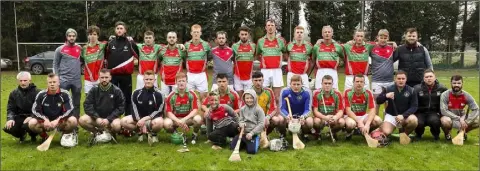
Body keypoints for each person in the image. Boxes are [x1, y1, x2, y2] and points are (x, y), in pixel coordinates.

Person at [28, 73, 78, 147]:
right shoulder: (41, 94)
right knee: (31, 123)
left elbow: (69, 110)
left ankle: (64, 136)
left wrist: (58, 120)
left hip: (60, 122)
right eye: (50, 82)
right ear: (47, 83)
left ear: (58, 83)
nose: (52, 84)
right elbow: (35, 110)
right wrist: (45, 119)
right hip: (46, 122)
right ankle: (44, 137)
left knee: (73, 120)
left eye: (54, 82)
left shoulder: (65, 94)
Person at [79, 69, 124, 145]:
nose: (104, 79)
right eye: (102, 77)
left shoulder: (117, 90)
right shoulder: (94, 90)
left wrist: (108, 119)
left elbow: (121, 107)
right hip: (97, 119)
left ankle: (110, 133)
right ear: (99, 78)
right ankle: (97, 133)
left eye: (106, 77)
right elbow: (87, 105)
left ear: (110, 78)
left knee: (117, 125)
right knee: (82, 120)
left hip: (111, 119)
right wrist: (97, 117)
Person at [105, 21, 140, 117]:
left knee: (127, 98)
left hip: (126, 76)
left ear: (125, 30)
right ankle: (113, 120)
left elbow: (139, 55)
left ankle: (127, 122)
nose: (119, 30)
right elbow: (106, 57)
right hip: (113, 76)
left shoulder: (130, 43)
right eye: (117, 28)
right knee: (113, 98)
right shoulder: (110, 43)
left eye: (121, 28)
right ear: (115, 30)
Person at [121, 70, 164, 143]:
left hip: (152, 119)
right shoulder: (136, 92)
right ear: (143, 79)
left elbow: (159, 110)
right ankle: (139, 132)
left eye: (150, 79)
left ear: (154, 80)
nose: (148, 81)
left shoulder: (159, 94)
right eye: (146, 79)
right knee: (123, 121)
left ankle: (153, 134)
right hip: (139, 119)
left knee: (160, 122)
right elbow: (134, 109)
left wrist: (145, 119)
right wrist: (140, 120)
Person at [164, 72, 203, 144]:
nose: (181, 83)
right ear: (176, 82)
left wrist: (184, 119)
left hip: (188, 119)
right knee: (166, 123)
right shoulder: (171, 95)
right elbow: (168, 113)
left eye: (183, 81)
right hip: (176, 120)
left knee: (198, 119)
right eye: (179, 81)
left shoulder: (192, 94)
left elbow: (195, 110)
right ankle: (176, 133)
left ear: (186, 82)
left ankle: (194, 134)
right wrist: (179, 121)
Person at [376, 70, 418, 137]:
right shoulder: (388, 89)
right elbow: (378, 100)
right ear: (395, 79)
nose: (401, 80)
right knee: (386, 132)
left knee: (414, 120)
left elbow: (414, 106)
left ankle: (404, 135)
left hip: (405, 117)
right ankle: (380, 129)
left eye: (403, 79)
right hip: (391, 116)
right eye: (399, 78)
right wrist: (386, 96)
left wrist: (403, 115)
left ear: (406, 79)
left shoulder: (411, 90)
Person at [53, 28, 82, 121]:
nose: (71, 38)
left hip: (77, 80)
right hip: (64, 80)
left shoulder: (80, 48)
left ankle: (75, 121)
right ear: (66, 37)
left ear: (76, 37)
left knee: (76, 102)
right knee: (62, 101)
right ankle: (62, 120)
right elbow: (55, 64)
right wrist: (57, 77)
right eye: (70, 36)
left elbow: (85, 61)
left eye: (73, 36)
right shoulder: (60, 49)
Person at [256, 19, 287, 106]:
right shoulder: (260, 41)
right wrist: (264, 62)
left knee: (277, 97)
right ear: (265, 27)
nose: (270, 27)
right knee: (263, 96)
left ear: (275, 27)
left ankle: (277, 117)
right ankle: (263, 117)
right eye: (268, 25)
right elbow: (257, 55)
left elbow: (285, 53)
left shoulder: (281, 41)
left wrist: (279, 61)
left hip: (277, 71)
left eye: (272, 25)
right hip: (265, 71)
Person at [3, 71, 41, 143]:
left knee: (30, 124)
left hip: (34, 116)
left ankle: (33, 135)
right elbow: (10, 108)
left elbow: (40, 109)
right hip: (20, 116)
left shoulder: (38, 92)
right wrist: (10, 118)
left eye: (25, 80)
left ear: (30, 80)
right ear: (18, 81)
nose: (23, 83)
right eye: (21, 81)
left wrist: (32, 116)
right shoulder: (13, 93)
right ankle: (22, 135)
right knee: (9, 127)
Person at [440, 75, 479, 141]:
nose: (456, 85)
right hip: (450, 118)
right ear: (451, 83)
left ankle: (462, 132)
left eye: (459, 83)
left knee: (478, 120)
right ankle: (447, 134)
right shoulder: (445, 95)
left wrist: (467, 121)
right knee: (445, 121)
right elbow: (444, 111)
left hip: (463, 120)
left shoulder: (466, 95)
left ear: (462, 84)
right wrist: (458, 118)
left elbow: (476, 109)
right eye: (454, 83)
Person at [344, 74, 382, 140]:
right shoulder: (347, 92)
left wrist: (367, 124)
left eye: (361, 82)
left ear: (364, 83)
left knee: (378, 120)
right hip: (350, 116)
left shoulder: (368, 93)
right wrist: (359, 122)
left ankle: (366, 131)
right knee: (350, 124)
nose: (359, 84)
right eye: (357, 81)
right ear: (353, 82)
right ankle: (349, 132)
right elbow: (348, 111)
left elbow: (373, 110)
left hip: (363, 115)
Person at [412, 69, 447, 141]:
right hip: (420, 112)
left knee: (435, 121)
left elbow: (447, 100)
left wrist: (442, 113)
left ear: (435, 77)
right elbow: (412, 102)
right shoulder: (417, 88)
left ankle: (436, 135)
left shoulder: (442, 88)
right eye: (426, 77)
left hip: (434, 112)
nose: (429, 78)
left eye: (431, 76)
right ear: (424, 79)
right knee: (419, 122)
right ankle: (418, 135)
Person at [370, 29, 396, 116]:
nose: (383, 39)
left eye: (385, 37)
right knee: (376, 103)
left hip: (389, 81)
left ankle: (386, 123)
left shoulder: (392, 48)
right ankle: (376, 124)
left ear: (388, 38)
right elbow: (362, 43)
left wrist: (393, 43)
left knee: (388, 104)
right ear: (377, 37)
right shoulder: (372, 48)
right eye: (381, 37)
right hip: (376, 81)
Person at [311, 75, 344, 140]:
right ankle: (318, 133)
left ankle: (332, 132)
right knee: (316, 121)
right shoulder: (316, 93)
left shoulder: (337, 94)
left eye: (329, 83)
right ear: (321, 84)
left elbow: (341, 110)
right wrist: (325, 117)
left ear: (332, 84)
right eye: (325, 83)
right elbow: (315, 111)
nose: (327, 85)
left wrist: (335, 117)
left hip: (333, 117)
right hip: (321, 117)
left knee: (342, 122)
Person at [279, 75, 312, 140]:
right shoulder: (285, 91)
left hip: (301, 116)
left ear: (302, 84)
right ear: (290, 84)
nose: (296, 86)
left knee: (310, 122)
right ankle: (283, 133)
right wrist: (287, 116)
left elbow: (308, 109)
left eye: (298, 84)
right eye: (294, 84)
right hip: (289, 116)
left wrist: (303, 116)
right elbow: (281, 108)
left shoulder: (307, 92)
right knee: (280, 119)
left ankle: (304, 133)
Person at [312, 25, 345, 90]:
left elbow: (343, 58)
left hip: (332, 71)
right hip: (320, 71)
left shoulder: (338, 46)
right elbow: (313, 58)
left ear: (332, 33)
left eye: (329, 32)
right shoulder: (317, 46)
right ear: (322, 34)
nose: (327, 33)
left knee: (334, 91)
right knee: (319, 91)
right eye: (325, 32)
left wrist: (338, 64)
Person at [232, 89, 265, 154]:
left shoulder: (259, 110)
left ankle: (258, 140)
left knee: (251, 151)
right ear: (244, 99)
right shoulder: (242, 109)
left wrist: (252, 133)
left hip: (253, 134)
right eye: (247, 98)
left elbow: (261, 124)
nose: (249, 100)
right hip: (244, 133)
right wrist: (241, 124)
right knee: (232, 147)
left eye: (251, 98)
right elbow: (240, 120)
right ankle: (245, 143)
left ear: (255, 98)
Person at [184, 24, 211, 101]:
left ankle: (203, 112)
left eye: (197, 32)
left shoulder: (206, 45)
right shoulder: (186, 45)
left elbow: (209, 56)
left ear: (201, 33)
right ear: (191, 33)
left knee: (204, 98)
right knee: (189, 98)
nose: (196, 34)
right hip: (190, 74)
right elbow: (183, 56)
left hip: (201, 75)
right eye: (194, 32)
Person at [81, 25, 107, 94]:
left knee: (100, 101)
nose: (92, 36)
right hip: (88, 79)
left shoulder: (103, 45)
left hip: (100, 78)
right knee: (89, 101)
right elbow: (81, 61)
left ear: (98, 36)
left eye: (94, 34)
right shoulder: (84, 48)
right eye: (90, 34)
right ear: (88, 36)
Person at [159, 31, 186, 96]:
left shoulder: (181, 50)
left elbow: (185, 60)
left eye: (173, 37)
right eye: (170, 37)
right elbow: (159, 60)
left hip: (177, 81)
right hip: (164, 81)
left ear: (176, 39)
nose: (171, 39)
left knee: (176, 101)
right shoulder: (162, 50)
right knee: (164, 100)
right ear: (167, 39)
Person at [250, 71, 277, 137]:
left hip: (265, 116)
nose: (258, 82)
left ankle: (266, 134)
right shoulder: (248, 92)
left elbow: (273, 108)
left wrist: (267, 117)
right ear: (252, 81)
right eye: (255, 80)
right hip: (252, 117)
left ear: (263, 80)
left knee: (276, 120)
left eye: (260, 80)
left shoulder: (269, 91)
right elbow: (243, 108)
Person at [232, 26, 256, 98]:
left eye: (245, 34)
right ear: (239, 35)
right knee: (239, 98)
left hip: (249, 77)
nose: (244, 36)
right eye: (242, 34)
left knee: (248, 98)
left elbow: (255, 57)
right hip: (238, 77)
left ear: (248, 35)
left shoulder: (253, 46)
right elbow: (233, 59)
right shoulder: (234, 46)